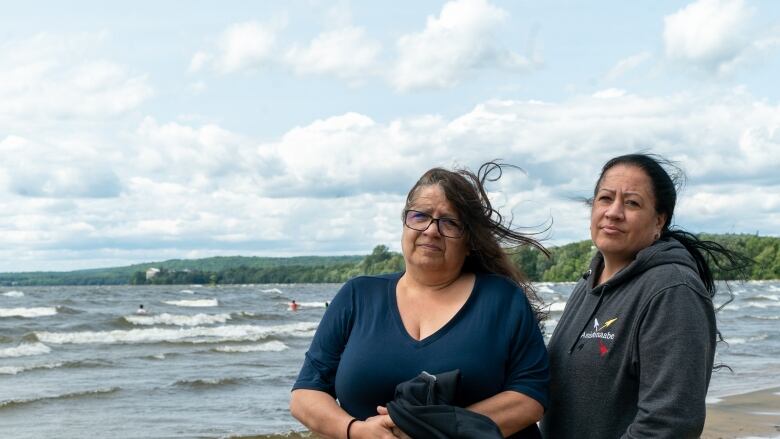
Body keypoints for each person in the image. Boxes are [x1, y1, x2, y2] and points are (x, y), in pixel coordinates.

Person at [290, 162, 550, 439]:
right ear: (405, 221)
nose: (431, 230)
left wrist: (436, 429)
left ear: (469, 239)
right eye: (420, 216)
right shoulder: (357, 295)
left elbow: (531, 396)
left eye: (449, 222)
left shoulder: (502, 299)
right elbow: (306, 394)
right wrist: (358, 431)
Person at [541, 153, 749, 438]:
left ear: (658, 222)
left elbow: (670, 422)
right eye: (605, 198)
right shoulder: (587, 284)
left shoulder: (672, 291)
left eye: (632, 203)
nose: (614, 212)